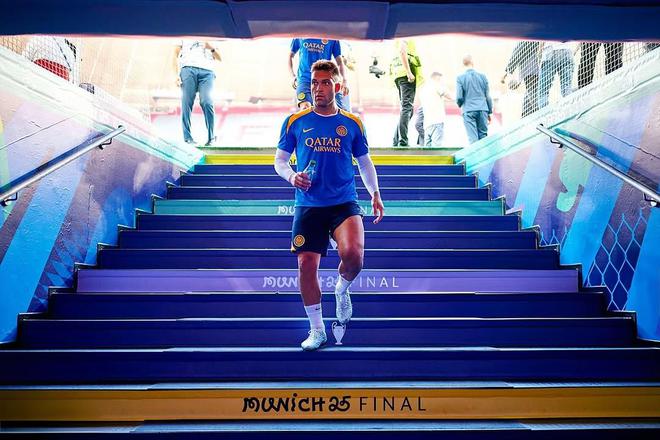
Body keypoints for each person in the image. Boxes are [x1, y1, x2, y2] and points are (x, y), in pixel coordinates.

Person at [274, 60, 385, 351]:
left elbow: (364, 162)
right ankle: (317, 330)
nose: (318, 88)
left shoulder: (352, 123)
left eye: (325, 82)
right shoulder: (295, 122)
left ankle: (341, 289)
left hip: (343, 202)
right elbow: (280, 161)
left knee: (354, 257)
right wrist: (291, 176)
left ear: (337, 86)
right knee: (305, 264)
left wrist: (375, 193)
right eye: (314, 83)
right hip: (309, 204)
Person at [174, 40, 221, 146]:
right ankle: (187, 137)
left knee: (207, 102)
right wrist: (175, 75)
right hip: (188, 69)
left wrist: (211, 47)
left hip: (207, 72)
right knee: (187, 102)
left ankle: (211, 137)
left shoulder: (212, 35)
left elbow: (219, 58)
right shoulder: (183, 35)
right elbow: (175, 55)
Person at [288, 38, 350, 111]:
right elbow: (290, 56)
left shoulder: (332, 37)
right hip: (304, 80)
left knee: (339, 110)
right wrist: (292, 76)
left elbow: (339, 62)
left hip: (325, 81)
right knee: (305, 108)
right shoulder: (300, 34)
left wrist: (344, 80)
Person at [390, 39, 423, 147]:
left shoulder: (397, 39)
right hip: (405, 75)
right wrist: (409, 72)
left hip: (398, 75)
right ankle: (403, 141)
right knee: (406, 108)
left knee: (408, 110)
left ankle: (396, 140)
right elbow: (402, 51)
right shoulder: (405, 36)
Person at [456, 55, 493, 144]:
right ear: (472, 63)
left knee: (473, 139)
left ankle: (475, 153)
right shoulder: (483, 77)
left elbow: (459, 97)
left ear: (463, 64)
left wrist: (460, 104)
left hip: (468, 110)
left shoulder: (460, 78)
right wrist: (489, 112)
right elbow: (488, 96)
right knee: (483, 137)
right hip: (483, 109)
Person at [501, 41, 540, 117]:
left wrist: (507, 72)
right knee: (530, 92)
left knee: (532, 92)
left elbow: (517, 53)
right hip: (531, 68)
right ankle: (526, 114)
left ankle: (537, 114)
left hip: (530, 68)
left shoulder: (524, 39)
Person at [538, 41, 574, 108]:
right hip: (566, 49)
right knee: (567, 86)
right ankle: (570, 109)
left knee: (543, 91)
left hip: (550, 50)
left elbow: (542, 40)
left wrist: (540, 53)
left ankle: (544, 112)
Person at [420, 72, 452, 147]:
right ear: (436, 78)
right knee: (436, 147)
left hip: (427, 124)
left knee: (427, 148)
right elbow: (450, 96)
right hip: (437, 120)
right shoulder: (436, 85)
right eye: (440, 79)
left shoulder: (423, 90)